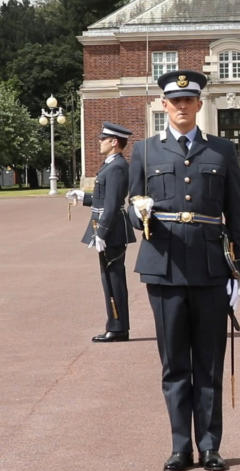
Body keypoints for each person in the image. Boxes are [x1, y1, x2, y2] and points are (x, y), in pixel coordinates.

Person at [127, 70, 240, 471]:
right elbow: (131, 206)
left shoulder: (222, 151)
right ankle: (181, 445)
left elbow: (237, 214)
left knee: (210, 363)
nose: (181, 107)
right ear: (163, 105)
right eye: (174, 101)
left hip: (212, 269)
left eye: (189, 100)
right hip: (164, 268)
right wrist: (137, 211)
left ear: (200, 105)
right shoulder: (144, 151)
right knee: (175, 363)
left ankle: (210, 445)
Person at [67, 122, 136, 342]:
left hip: (112, 231)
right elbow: (102, 198)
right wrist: (83, 196)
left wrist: (102, 233)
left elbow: (113, 203)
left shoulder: (116, 166)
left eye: (103, 138)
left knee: (113, 279)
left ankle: (117, 328)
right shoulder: (111, 165)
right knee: (109, 278)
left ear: (114, 142)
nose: (99, 141)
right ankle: (116, 326)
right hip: (108, 229)